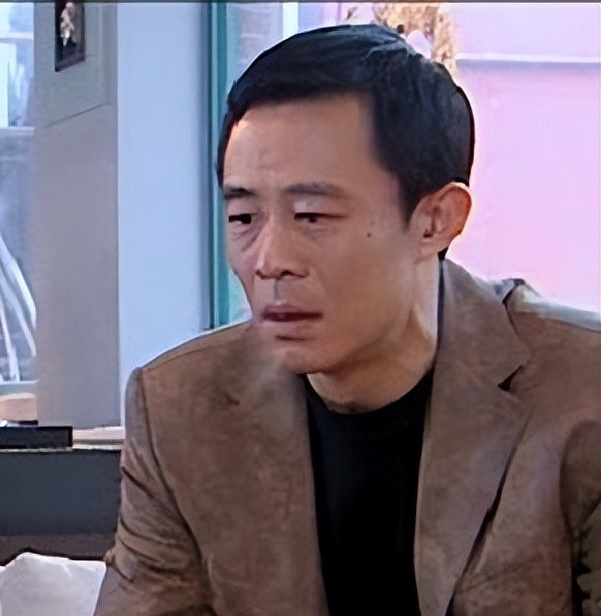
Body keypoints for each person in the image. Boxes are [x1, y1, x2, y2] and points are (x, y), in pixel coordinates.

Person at [95, 24, 599, 616]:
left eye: (312, 215)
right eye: (243, 218)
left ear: (436, 220)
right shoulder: (180, 410)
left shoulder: (581, 393)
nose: (269, 261)